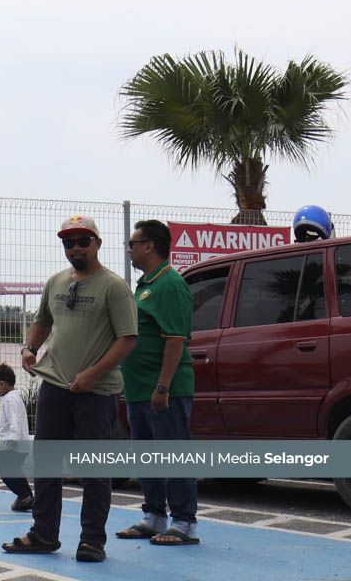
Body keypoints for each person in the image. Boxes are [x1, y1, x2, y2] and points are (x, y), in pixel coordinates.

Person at [2, 215, 138, 564]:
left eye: (82, 241)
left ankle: (92, 541)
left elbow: (128, 339)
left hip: (97, 390)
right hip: (55, 386)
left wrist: (93, 373)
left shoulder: (114, 286)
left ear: (97, 243)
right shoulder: (56, 282)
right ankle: (43, 534)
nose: (75, 248)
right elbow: (43, 320)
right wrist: (29, 348)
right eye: (68, 243)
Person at [117, 219, 200, 546]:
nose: (129, 249)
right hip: (139, 390)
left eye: (133, 243)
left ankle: (184, 522)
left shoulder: (170, 284)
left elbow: (175, 340)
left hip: (163, 391)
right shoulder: (146, 284)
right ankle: (153, 516)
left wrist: (163, 386)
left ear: (149, 245)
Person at [0, 363, 33, 512]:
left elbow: (15, 420)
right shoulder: (14, 397)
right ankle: (25, 496)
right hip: (20, 443)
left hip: (12, 443)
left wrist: (13, 439)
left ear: (1, 383)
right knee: (14, 470)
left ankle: (25, 495)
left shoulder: (9, 400)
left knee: (6, 471)